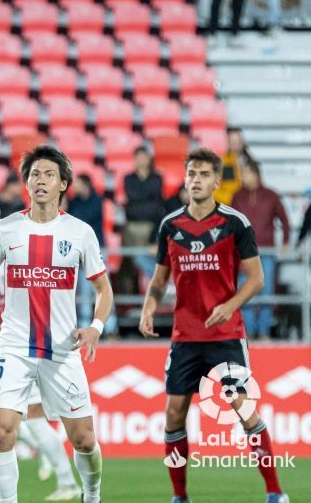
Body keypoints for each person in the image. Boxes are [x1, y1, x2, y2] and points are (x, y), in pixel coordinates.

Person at [0, 145, 112, 503]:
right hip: (13, 347)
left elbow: (104, 290)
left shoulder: (80, 232)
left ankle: (91, 495)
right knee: (2, 431)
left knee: (84, 439)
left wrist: (95, 328)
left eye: (48, 175)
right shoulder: (5, 229)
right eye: (34, 175)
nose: (40, 180)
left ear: (63, 184)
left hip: (61, 350)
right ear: (26, 183)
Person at [139, 148, 290, 503]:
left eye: (204, 174)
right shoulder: (170, 226)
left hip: (226, 335)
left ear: (216, 182)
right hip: (185, 337)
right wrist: (148, 306)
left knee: (243, 405)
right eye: (191, 173)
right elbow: (160, 280)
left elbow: (256, 279)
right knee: (174, 413)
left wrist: (230, 306)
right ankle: (180, 497)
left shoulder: (235, 223)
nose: (196, 180)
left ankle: (275, 492)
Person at [0, 202, 80, 501]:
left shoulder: (17, 252)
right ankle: (40, 452)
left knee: (36, 420)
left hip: (26, 348)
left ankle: (68, 483)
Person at [231, 161, 290, 339]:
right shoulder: (237, 196)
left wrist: (285, 242)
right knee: (245, 292)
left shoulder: (271, 196)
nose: (243, 177)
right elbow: (229, 222)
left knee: (266, 293)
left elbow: (285, 220)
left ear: (256, 174)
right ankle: (247, 332)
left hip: (267, 253)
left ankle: (264, 332)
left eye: (246, 173)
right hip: (244, 253)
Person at [68, 174, 117, 335]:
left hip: (97, 249)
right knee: (84, 289)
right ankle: (84, 324)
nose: (75, 187)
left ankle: (109, 327)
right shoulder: (74, 201)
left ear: (86, 185)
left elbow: (83, 220)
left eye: (79, 184)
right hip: (80, 249)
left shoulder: (98, 201)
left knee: (103, 287)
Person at [124, 147, 164, 283]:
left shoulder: (157, 177)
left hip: (153, 227)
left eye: (144, 156)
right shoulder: (128, 178)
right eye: (138, 157)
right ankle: (162, 282)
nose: (141, 160)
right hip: (133, 228)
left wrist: (139, 202)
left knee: (151, 257)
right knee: (135, 260)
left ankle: (161, 283)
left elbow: (156, 200)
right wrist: (149, 200)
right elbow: (132, 196)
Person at [216, 127, 256, 205]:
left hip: (248, 207)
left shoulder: (250, 161)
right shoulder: (222, 162)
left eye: (238, 140)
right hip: (229, 207)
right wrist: (232, 200)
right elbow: (214, 190)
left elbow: (258, 186)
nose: (235, 143)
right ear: (228, 142)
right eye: (232, 141)